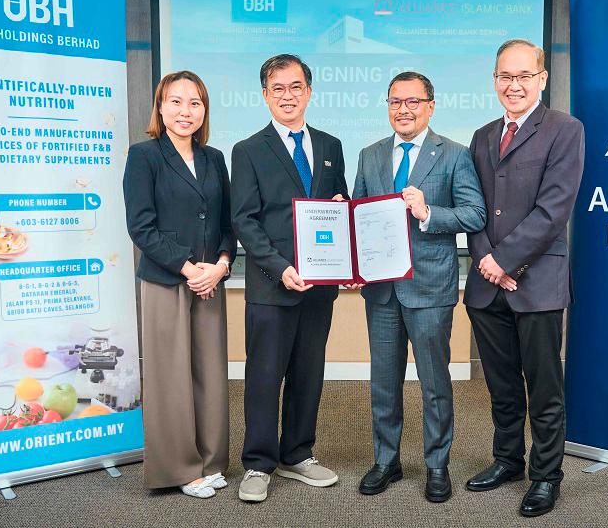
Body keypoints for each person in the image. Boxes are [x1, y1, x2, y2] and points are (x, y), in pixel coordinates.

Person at [352, 72, 486, 503]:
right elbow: (358, 215)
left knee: (434, 383)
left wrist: (428, 213)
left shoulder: (454, 154)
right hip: (381, 290)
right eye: (395, 101)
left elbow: (474, 214)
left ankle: (436, 465)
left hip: (429, 287)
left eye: (413, 101)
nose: (403, 109)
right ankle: (386, 461)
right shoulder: (369, 155)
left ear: (430, 105)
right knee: (384, 382)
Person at [463, 39, 584, 517]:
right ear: (495, 80)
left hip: (537, 283)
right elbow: (474, 209)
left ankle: (546, 475)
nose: (513, 85)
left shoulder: (564, 130)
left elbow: (554, 209)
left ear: (541, 79)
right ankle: (507, 460)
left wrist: (505, 262)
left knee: (544, 387)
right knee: (502, 385)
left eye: (523, 76)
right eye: (504, 77)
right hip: (486, 283)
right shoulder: (482, 135)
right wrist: (485, 260)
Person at [231, 54, 349, 503]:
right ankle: (258, 463)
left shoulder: (331, 145)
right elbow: (245, 220)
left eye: (296, 87)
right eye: (277, 88)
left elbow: (339, 206)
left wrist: (342, 209)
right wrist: (280, 268)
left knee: (308, 371)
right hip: (271, 283)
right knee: (264, 375)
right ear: (265, 94)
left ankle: (298, 454)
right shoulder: (248, 150)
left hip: (320, 286)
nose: (288, 96)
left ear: (309, 92)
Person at [123, 70, 236, 498]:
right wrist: (191, 269)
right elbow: (142, 228)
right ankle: (180, 469)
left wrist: (221, 265)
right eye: (176, 101)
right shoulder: (144, 156)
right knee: (171, 375)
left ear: (204, 110)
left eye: (195, 102)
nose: (185, 111)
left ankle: (210, 461)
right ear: (161, 107)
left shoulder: (214, 158)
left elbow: (227, 222)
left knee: (209, 372)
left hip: (212, 279)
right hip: (169, 280)